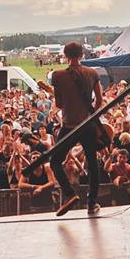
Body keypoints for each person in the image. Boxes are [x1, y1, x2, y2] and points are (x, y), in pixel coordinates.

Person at [46, 42, 104, 217]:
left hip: (69, 126)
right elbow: (99, 100)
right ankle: (91, 204)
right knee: (92, 164)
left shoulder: (58, 76)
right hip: (87, 125)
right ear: (82, 55)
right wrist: (90, 115)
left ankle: (69, 194)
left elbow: (59, 104)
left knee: (55, 162)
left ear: (65, 55)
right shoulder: (92, 73)